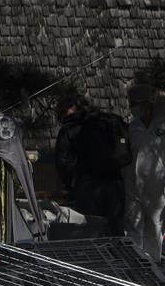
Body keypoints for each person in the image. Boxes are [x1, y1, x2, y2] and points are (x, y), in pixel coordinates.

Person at [124, 84, 165, 260]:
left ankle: (153, 266)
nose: (134, 107)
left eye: (137, 102)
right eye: (132, 103)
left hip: (157, 187)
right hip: (133, 186)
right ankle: (135, 267)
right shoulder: (132, 126)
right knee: (133, 227)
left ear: (149, 102)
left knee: (155, 228)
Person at [54, 95, 130, 235]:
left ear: (67, 109)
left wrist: (70, 186)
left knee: (90, 231)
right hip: (115, 184)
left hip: (88, 186)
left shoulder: (69, 128)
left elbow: (62, 162)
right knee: (115, 231)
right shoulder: (109, 122)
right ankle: (119, 256)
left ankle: (96, 257)